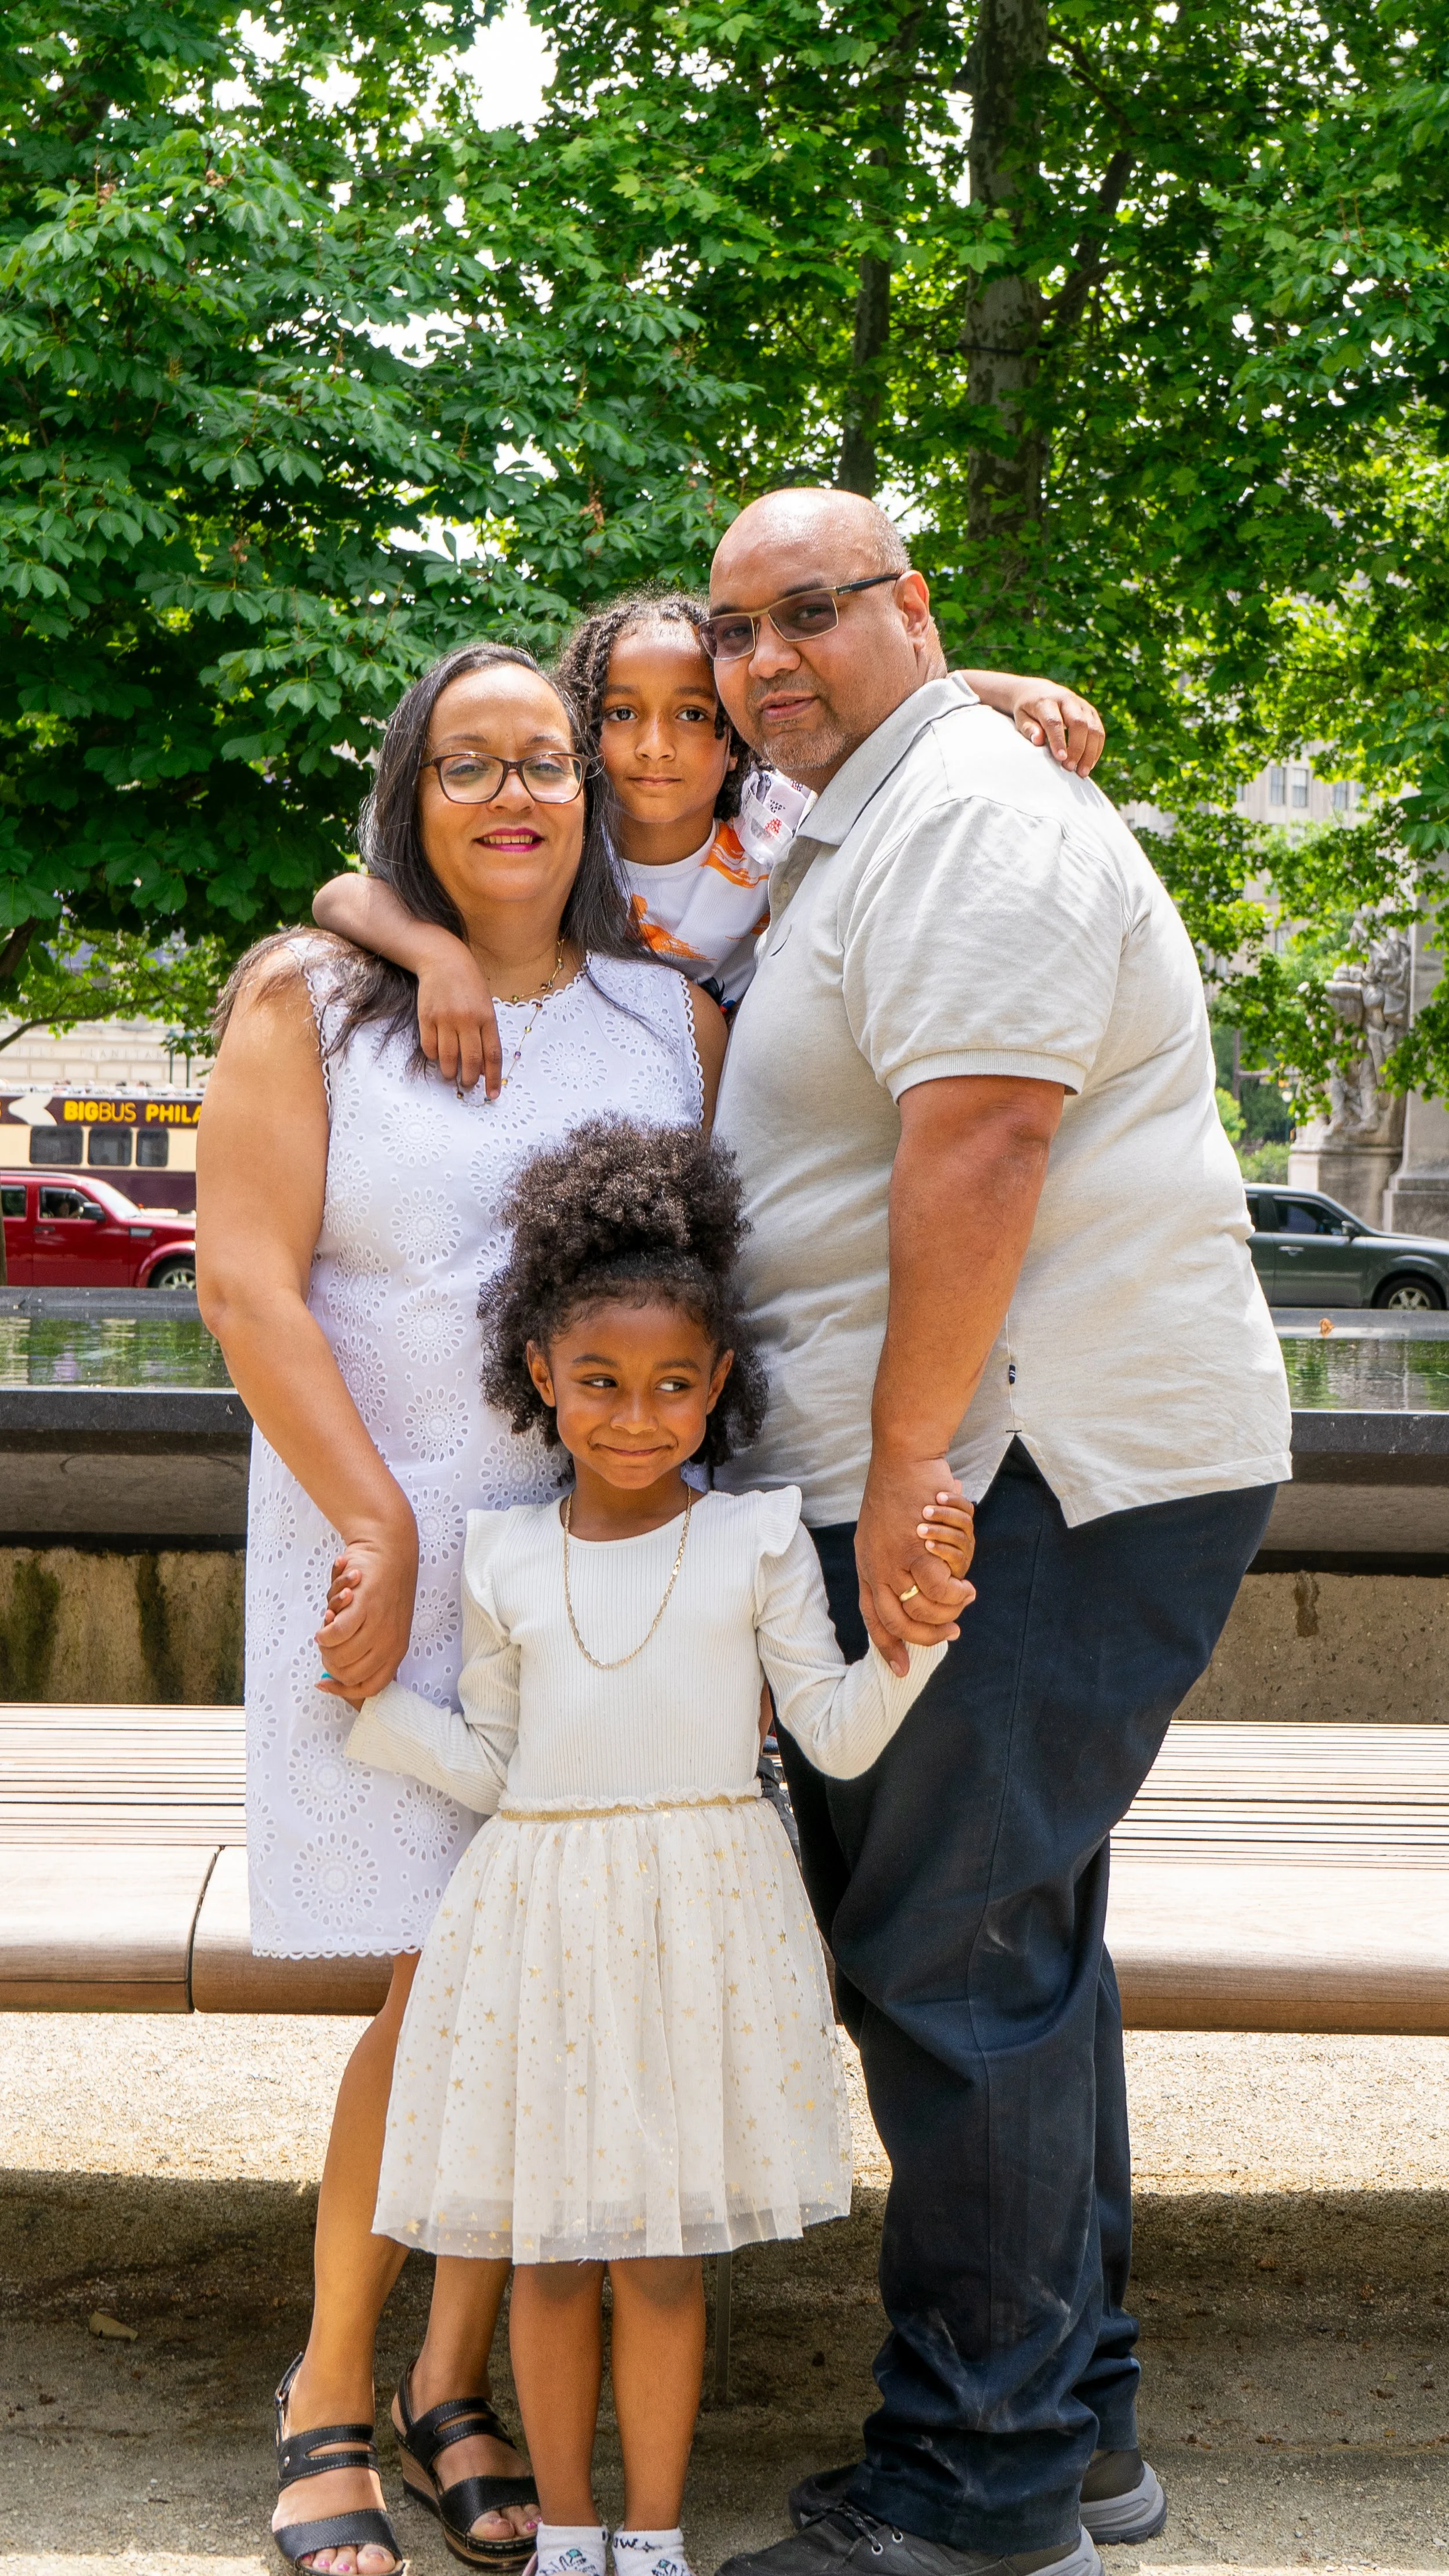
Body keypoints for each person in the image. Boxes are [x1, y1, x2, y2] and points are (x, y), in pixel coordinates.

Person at [698, 489, 1294, 2576]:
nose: (766, 659)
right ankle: (1072, 2431)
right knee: (1007, 1951)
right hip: (991, 1463)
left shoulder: (970, 818)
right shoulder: (885, 811)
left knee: (949, 1956)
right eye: (733, 631)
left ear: (911, 608)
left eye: (809, 614)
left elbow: (987, 1143)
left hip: (1027, 1468)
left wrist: (905, 1477)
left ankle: (978, 2490)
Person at [196, 641, 726, 2576]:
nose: (515, 792)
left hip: (598, 1596)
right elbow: (247, 1287)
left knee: (529, 1997)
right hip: (382, 1555)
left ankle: (447, 2380)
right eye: (468, 764)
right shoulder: (309, 1000)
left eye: (547, 763)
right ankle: (333, 2391)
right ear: (410, 799)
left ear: (592, 799)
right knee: (441, 1997)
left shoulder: (665, 1012)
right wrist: (374, 1521)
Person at [319, 1119, 974, 2576]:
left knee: (661, 2258)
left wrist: (911, 1639)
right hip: (540, 1917)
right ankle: (564, 2538)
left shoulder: (754, 1541)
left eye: (674, 1383)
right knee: (551, 2250)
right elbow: (491, 1764)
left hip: (703, 1920)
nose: (636, 1414)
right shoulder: (500, 1555)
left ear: (719, 1383)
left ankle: (655, 2539)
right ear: (541, 1378)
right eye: (600, 1382)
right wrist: (373, 1708)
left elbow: (836, 1734)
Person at [312, 595, 1104, 1089]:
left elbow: (888, 719)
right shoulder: (564, 840)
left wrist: (1011, 691)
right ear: (587, 732)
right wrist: (437, 955)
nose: (656, 745)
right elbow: (341, 894)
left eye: (693, 715)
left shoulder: (773, 826)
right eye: (623, 715)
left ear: (736, 739)